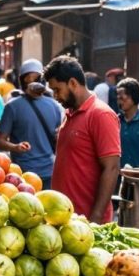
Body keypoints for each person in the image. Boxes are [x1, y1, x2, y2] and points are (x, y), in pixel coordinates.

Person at [44, 55, 120, 223]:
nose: (55, 96)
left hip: (86, 221)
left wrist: (96, 218)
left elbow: (112, 168)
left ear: (72, 83)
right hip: (64, 217)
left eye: (57, 90)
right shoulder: (68, 113)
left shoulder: (101, 114)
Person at [0, 59, 62, 189]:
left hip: (45, 173)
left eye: (36, 78)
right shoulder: (12, 107)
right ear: (22, 81)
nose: (32, 82)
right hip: (24, 175)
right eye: (28, 78)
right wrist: (16, 147)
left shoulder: (54, 105)